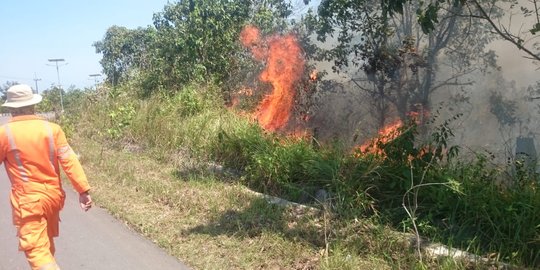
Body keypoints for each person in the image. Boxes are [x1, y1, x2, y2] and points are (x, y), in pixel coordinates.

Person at [0, 84, 92, 270]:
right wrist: (83, 190)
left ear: (10, 108)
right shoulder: (53, 129)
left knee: (36, 250)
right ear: (33, 105)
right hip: (53, 198)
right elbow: (70, 161)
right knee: (46, 246)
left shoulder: (4, 133)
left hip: (28, 201)